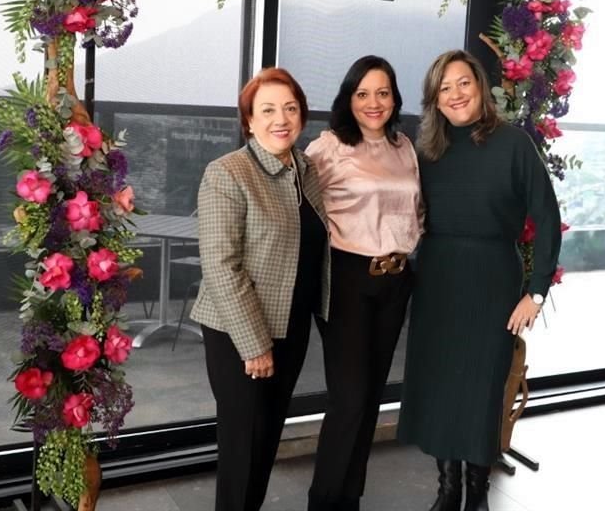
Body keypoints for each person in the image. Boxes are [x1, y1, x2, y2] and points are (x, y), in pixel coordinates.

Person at [397, 50, 561, 511]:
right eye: (444, 87)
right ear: (434, 98)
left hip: (493, 279)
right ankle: (447, 488)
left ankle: (478, 492)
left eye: (463, 83)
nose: (455, 94)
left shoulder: (514, 144)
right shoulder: (425, 149)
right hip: (437, 278)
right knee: (441, 384)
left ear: (481, 87)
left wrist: (537, 290)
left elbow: (547, 217)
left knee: (484, 388)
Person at [191, 67, 331, 511]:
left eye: (290, 108)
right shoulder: (228, 173)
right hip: (240, 335)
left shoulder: (304, 169)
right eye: (267, 109)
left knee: (266, 437)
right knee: (243, 446)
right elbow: (220, 265)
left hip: (291, 327)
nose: (281, 118)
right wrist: (254, 346)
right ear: (248, 120)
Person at [304, 56, 423, 511]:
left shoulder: (404, 146)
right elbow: (296, 204)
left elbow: (416, 211)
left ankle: (349, 496)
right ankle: (323, 500)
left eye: (382, 92)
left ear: (394, 98)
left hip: (395, 280)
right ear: (348, 98)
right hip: (347, 277)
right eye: (362, 93)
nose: (373, 103)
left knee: (371, 395)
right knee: (349, 396)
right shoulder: (329, 147)